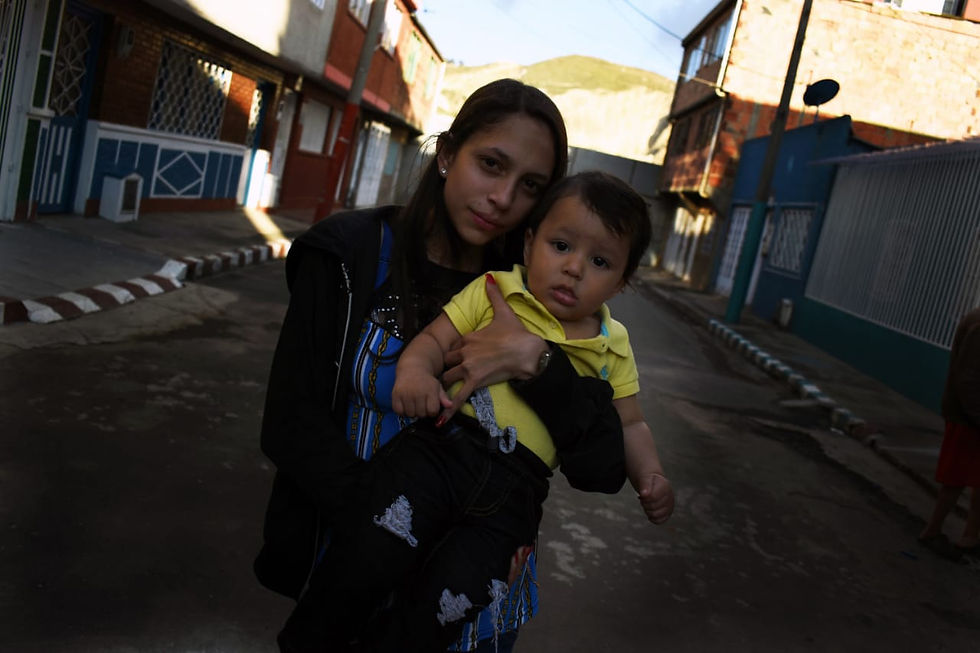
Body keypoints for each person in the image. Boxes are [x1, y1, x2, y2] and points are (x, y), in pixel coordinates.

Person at [256, 79, 636, 653]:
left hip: (467, 605)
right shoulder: (349, 254)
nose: (503, 198)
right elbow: (291, 424)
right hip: (353, 570)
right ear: (448, 153)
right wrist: (399, 536)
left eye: (530, 185)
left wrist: (536, 361)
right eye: (491, 164)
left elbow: (603, 468)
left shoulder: (547, 296)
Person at [918, 307, 980, 561]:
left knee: (974, 477)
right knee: (955, 479)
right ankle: (931, 532)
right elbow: (967, 379)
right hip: (967, 417)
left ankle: (970, 537)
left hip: (969, 414)